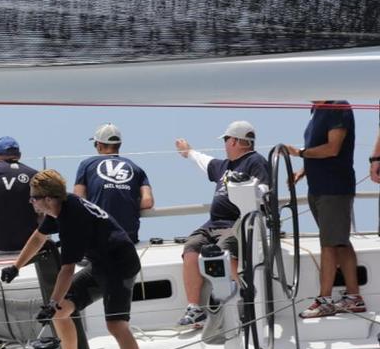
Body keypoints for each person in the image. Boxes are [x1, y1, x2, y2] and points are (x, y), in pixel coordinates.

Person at [0, 170, 141, 349]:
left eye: (33, 198)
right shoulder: (59, 207)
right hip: (100, 264)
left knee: (116, 325)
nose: (31, 202)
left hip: (120, 265)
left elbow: (67, 269)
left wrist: (51, 303)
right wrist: (16, 267)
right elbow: (38, 237)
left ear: (48, 199)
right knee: (60, 311)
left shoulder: (72, 219)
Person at [174, 120, 270, 328]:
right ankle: (195, 308)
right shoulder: (224, 166)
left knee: (223, 250)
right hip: (213, 223)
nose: (224, 144)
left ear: (236, 141)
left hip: (237, 222)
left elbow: (264, 189)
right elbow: (203, 160)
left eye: (226, 140)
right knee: (191, 248)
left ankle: (242, 299)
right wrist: (188, 151)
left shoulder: (255, 161)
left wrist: (246, 185)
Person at [285, 99, 365, 317]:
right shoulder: (316, 110)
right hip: (318, 188)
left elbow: (332, 148)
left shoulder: (337, 106)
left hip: (334, 187)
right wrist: (302, 172)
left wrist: (299, 152)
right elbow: (318, 149)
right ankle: (353, 297)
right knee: (339, 242)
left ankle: (325, 300)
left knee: (329, 243)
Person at [74, 124, 153, 243]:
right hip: (128, 236)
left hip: (98, 235)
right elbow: (147, 201)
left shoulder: (86, 165)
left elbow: (78, 199)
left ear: (99, 145)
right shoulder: (136, 168)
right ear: (119, 145)